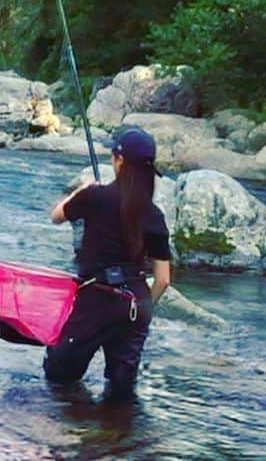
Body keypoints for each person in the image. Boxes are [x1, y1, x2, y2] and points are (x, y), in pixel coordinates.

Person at [43, 126, 171, 404]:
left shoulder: (94, 197)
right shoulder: (154, 215)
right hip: (136, 303)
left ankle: (86, 436)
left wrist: (83, 190)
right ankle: (121, 440)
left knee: (58, 378)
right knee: (121, 392)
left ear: (120, 161)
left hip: (97, 297)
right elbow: (163, 280)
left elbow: (55, 216)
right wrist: (141, 306)